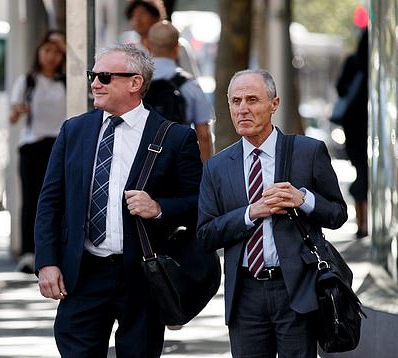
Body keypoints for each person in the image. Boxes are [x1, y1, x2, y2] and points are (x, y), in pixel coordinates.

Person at [34, 44, 202, 357]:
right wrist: (46, 262)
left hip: (142, 275)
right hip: (83, 274)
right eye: (93, 75)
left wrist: (158, 208)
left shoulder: (174, 137)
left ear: (135, 83)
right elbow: (49, 202)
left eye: (105, 76)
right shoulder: (74, 130)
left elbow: (198, 204)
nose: (95, 83)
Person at [197, 69, 348, 357]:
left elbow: (338, 214)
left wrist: (302, 199)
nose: (242, 109)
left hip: (298, 290)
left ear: (274, 104)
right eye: (235, 101)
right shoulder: (217, 167)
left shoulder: (308, 152)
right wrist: (250, 213)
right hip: (245, 295)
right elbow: (205, 235)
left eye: (252, 100)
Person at [9, 30, 66, 273]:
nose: (52, 56)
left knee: (58, 199)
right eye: (47, 50)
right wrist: (20, 110)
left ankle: (55, 250)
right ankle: (28, 253)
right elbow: (11, 117)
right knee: (31, 199)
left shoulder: (66, 82)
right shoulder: (27, 81)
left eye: (57, 51)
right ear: (38, 52)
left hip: (58, 145)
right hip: (32, 146)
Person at [145, 20, 214, 162]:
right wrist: (205, 174)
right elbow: (204, 135)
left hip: (142, 165)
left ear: (147, 45)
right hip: (178, 163)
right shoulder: (190, 85)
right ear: (177, 48)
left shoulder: (136, 83)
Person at [335, 28, 368, 239]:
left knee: (361, 176)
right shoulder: (378, 66)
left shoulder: (353, 62)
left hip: (354, 130)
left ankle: (362, 223)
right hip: (366, 131)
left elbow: (340, 88)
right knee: (367, 178)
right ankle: (366, 222)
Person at [123, 0, 200, 77]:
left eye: (142, 14)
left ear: (156, 16)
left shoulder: (177, 46)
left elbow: (190, 77)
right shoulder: (130, 52)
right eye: (133, 15)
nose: (137, 20)